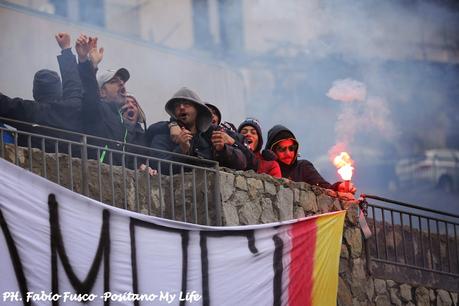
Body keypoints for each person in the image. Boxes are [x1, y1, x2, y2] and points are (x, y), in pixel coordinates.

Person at [75, 34, 146, 167]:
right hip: (97, 176)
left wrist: (140, 166)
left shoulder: (122, 121)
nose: (121, 84)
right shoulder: (98, 109)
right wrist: (87, 62)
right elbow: (90, 92)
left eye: (122, 81)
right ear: (102, 92)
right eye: (114, 81)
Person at [147, 87, 247, 173]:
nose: (181, 107)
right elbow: (160, 167)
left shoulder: (211, 136)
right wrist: (181, 150)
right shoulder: (162, 136)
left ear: (197, 110)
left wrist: (224, 149)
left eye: (186, 104)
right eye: (177, 105)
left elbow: (243, 164)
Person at [265, 124, 356, 192]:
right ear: (272, 151)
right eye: (281, 149)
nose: (288, 153)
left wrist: (339, 186)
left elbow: (325, 187)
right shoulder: (265, 169)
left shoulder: (303, 167)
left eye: (291, 148)